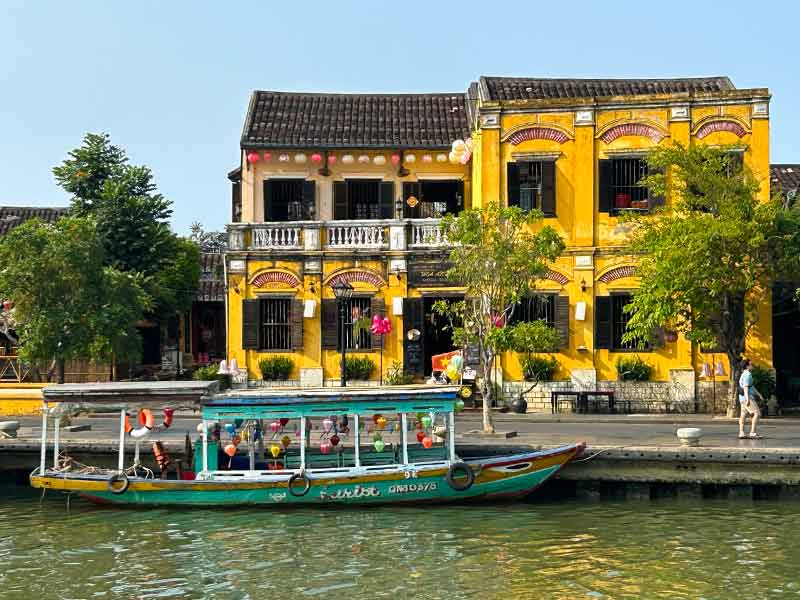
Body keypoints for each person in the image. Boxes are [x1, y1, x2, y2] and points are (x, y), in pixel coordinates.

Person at [738, 359, 762, 439]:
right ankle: (752, 432)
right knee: (757, 413)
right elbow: (745, 387)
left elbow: (751, 386)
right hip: (747, 397)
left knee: (743, 414)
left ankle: (741, 433)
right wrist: (748, 399)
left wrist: (758, 394)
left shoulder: (744, 374)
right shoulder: (747, 375)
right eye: (751, 364)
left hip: (742, 398)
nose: (752, 366)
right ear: (747, 366)